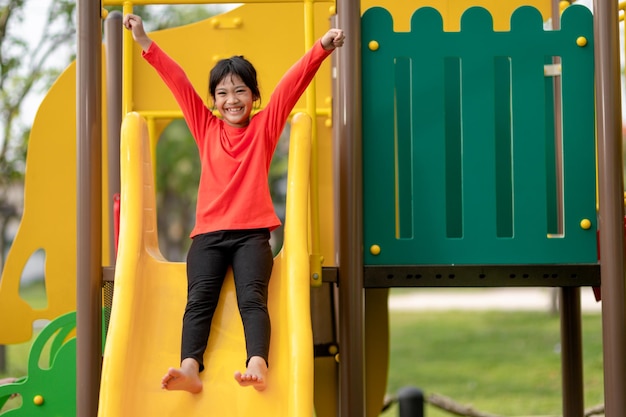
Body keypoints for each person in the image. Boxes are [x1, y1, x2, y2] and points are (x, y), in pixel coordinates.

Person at [123, 13, 344, 394]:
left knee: (252, 300)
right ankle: (190, 368)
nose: (231, 100)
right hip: (207, 235)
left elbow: (292, 85)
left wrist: (320, 48)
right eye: (223, 93)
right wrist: (144, 40)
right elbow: (177, 82)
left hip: (251, 236)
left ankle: (256, 362)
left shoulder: (264, 126)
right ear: (214, 101)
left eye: (240, 91)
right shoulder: (205, 127)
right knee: (198, 303)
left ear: (254, 97)